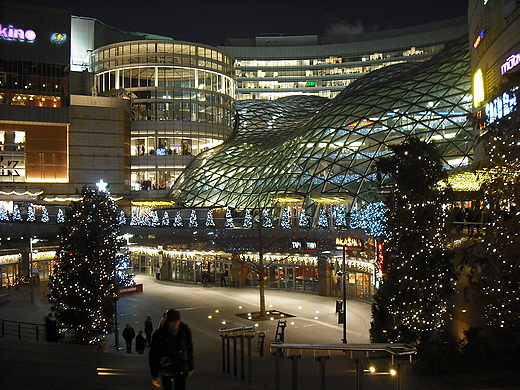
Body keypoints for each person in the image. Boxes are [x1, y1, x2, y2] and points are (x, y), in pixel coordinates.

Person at [149, 308, 194, 390]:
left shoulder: (185, 330)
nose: (174, 324)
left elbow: (189, 349)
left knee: (180, 387)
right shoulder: (159, 334)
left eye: (176, 321)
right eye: (172, 322)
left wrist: (191, 366)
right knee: (167, 387)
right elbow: (153, 354)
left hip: (180, 365)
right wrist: (155, 374)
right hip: (166, 366)